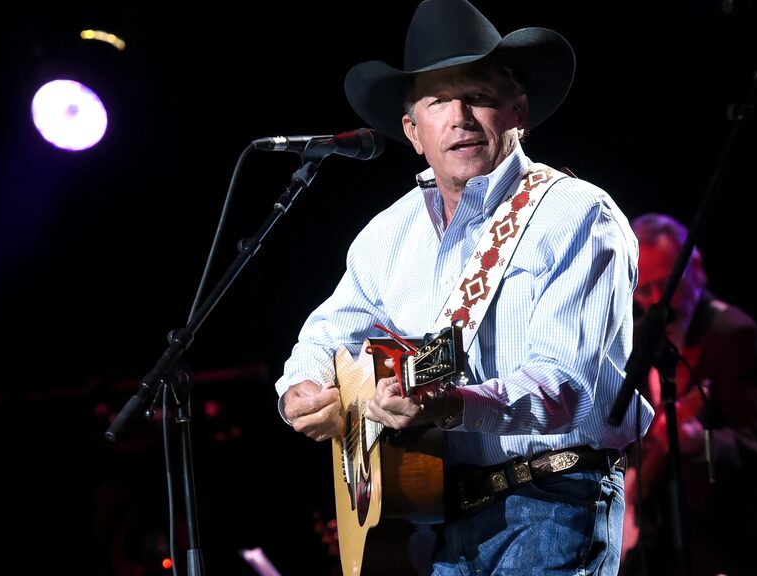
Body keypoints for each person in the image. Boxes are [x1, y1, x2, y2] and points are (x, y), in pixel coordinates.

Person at [274, 1, 653, 574]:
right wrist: (301, 390)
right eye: (437, 102)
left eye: (478, 95)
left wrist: (450, 405)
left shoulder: (577, 214)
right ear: (412, 131)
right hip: (436, 519)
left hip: (553, 503)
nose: (460, 117)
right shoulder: (388, 234)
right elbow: (327, 332)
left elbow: (568, 386)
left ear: (517, 111)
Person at [620, 213, 757, 576]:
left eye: (667, 284)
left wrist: (699, 440)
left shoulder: (734, 335)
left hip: (726, 545)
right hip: (658, 543)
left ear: (695, 267)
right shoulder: (640, 340)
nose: (657, 301)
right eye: (644, 290)